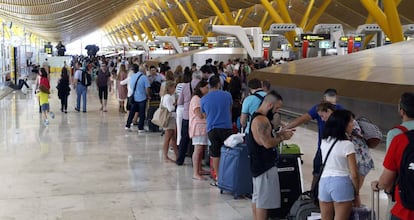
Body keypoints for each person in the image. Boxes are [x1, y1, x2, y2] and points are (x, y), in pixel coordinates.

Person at [245, 90, 294, 220]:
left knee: (257, 198)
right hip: (264, 166)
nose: (277, 111)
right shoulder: (262, 120)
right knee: (263, 202)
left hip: (258, 165)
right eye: (277, 108)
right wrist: (282, 137)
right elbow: (267, 143)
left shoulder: (256, 117)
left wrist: (278, 134)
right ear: (270, 105)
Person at [285, 88, 344, 187]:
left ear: (324, 98)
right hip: (336, 149)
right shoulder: (340, 109)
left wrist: (285, 128)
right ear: (336, 98)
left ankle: (314, 195)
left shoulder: (320, 108)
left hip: (326, 148)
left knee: (317, 173)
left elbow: (301, 119)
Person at [375, 92, 414, 220]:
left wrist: (380, 184)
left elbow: (388, 175)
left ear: (401, 111)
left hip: (404, 203)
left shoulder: (397, 135)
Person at [317, 102, 374, 190]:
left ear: (328, 111)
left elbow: (353, 135)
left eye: (322, 115)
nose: (322, 119)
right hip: (353, 157)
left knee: (355, 187)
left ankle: (354, 199)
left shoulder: (345, 120)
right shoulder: (336, 123)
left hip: (361, 158)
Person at [317, 109, 360, 220]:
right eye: (351, 122)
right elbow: (354, 173)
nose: (353, 125)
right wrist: (356, 194)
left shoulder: (324, 141)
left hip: (323, 183)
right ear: (343, 124)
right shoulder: (347, 145)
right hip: (341, 183)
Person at [200, 75, 233, 185]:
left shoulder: (204, 99)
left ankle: (218, 178)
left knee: (215, 154)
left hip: (212, 129)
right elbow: (230, 109)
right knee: (228, 152)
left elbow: (204, 114)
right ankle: (229, 176)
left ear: (209, 85)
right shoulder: (227, 95)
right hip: (226, 128)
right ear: (219, 84)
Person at [176, 71, 202, 165]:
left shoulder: (185, 86)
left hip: (186, 115)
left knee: (184, 138)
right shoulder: (202, 86)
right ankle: (194, 162)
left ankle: (180, 160)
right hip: (198, 117)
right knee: (195, 141)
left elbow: (180, 102)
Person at [189, 80, 210, 180]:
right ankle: (195, 173)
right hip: (198, 127)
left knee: (201, 149)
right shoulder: (196, 99)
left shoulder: (200, 98)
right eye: (206, 88)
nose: (208, 90)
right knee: (197, 150)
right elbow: (199, 115)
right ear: (201, 88)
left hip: (202, 127)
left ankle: (199, 169)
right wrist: (209, 113)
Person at [125, 64, 151, 132]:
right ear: (144, 70)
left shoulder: (133, 76)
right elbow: (147, 89)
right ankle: (140, 128)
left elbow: (130, 86)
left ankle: (127, 125)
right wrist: (148, 96)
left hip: (134, 97)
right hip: (142, 98)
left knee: (132, 112)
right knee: (142, 113)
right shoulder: (144, 78)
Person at [161, 80, 178, 162]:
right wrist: (174, 104)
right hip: (169, 119)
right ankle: (165, 156)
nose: (175, 89)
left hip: (170, 119)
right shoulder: (168, 97)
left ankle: (177, 154)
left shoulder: (164, 96)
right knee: (168, 138)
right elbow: (170, 108)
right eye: (174, 87)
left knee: (173, 138)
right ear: (170, 88)